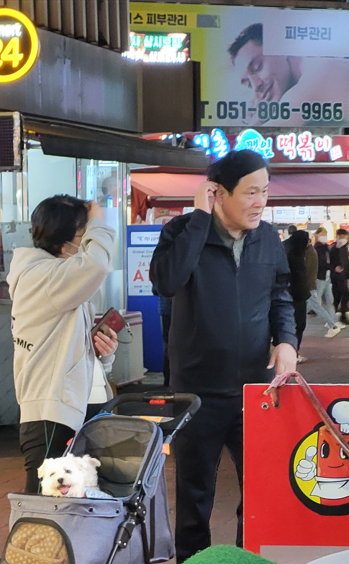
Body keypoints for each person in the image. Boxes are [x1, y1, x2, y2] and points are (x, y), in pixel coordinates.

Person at [150, 150, 297, 563]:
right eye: (250, 192)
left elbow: (280, 296)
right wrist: (199, 219)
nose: (260, 202)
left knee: (261, 492)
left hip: (256, 390)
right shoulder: (181, 231)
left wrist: (287, 341)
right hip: (197, 392)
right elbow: (166, 282)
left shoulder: (268, 238)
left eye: (264, 191)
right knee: (194, 495)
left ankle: (249, 558)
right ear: (217, 193)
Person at [7, 196, 118, 494]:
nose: (87, 240)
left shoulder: (55, 274)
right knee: (45, 506)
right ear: (64, 238)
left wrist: (103, 355)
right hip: (51, 410)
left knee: (77, 505)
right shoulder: (44, 276)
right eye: (84, 232)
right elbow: (97, 264)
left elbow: (69, 345)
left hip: (73, 405)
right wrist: (99, 222)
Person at [228, 23, 349, 127]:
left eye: (257, 67)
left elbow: (255, 136)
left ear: (280, 48)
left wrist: (256, 119)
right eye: (248, 84)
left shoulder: (318, 73)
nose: (256, 86)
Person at [309, 227, 344, 337]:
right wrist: (333, 268)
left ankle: (332, 324)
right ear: (317, 235)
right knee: (326, 302)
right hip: (324, 277)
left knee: (316, 303)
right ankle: (332, 323)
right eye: (322, 234)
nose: (324, 236)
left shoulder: (320, 248)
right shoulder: (320, 248)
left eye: (325, 234)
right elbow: (323, 263)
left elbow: (323, 263)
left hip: (322, 278)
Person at [284, 230, 312, 363]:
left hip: (288, 294)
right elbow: (300, 277)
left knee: (289, 324)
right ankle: (293, 353)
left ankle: (290, 351)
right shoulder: (296, 255)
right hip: (297, 296)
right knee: (298, 324)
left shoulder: (286, 250)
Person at [330, 228, 349, 325]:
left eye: (344, 236)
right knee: (343, 294)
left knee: (338, 295)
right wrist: (334, 268)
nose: (342, 238)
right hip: (336, 276)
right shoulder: (334, 248)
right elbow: (329, 262)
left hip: (344, 275)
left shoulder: (345, 248)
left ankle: (336, 314)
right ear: (337, 237)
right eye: (340, 236)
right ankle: (341, 315)